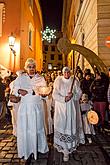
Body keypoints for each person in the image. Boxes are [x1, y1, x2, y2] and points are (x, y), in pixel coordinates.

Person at [13, 58, 49, 160]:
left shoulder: (40, 78)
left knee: (37, 128)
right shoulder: (21, 78)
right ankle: (26, 149)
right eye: (29, 67)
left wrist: (44, 93)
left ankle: (38, 148)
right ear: (26, 68)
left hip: (36, 107)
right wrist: (19, 90)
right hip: (24, 108)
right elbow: (14, 89)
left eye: (33, 67)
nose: (32, 69)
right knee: (25, 128)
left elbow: (44, 94)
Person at [52, 66, 85, 162]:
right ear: (62, 73)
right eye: (65, 72)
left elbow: (79, 93)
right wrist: (64, 98)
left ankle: (70, 146)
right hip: (61, 109)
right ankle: (64, 147)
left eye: (68, 72)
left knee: (70, 125)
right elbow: (54, 94)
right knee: (62, 125)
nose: (66, 74)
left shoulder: (75, 80)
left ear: (70, 72)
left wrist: (73, 95)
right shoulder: (58, 80)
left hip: (71, 109)